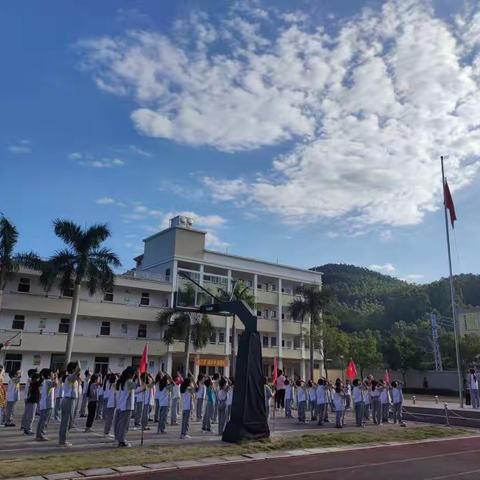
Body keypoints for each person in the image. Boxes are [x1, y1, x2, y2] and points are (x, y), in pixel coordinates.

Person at [114, 366, 139, 448]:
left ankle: (119, 438)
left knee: (120, 424)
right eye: (134, 374)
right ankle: (122, 441)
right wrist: (139, 376)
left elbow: (133, 391)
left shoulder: (122, 381)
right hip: (126, 406)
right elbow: (138, 384)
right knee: (124, 425)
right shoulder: (128, 382)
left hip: (121, 405)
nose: (135, 375)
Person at [59, 361, 81, 447]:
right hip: (68, 400)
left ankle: (63, 439)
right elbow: (78, 369)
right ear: (73, 369)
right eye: (75, 369)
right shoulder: (70, 377)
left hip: (71, 400)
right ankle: (62, 440)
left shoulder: (73, 377)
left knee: (69, 421)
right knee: (66, 421)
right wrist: (78, 363)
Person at [36, 369, 57, 441]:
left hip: (45, 404)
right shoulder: (48, 381)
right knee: (44, 421)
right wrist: (56, 376)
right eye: (52, 374)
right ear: (48, 376)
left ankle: (39, 435)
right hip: (47, 404)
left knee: (42, 420)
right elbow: (56, 384)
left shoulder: (46, 381)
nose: (53, 374)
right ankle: (41, 435)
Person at [103, 373, 117, 438]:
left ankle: (106, 431)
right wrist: (117, 378)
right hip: (112, 403)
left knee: (109, 418)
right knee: (110, 419)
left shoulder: (109, 383)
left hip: (110, 403)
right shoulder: (114, 384)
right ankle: (106, 432)